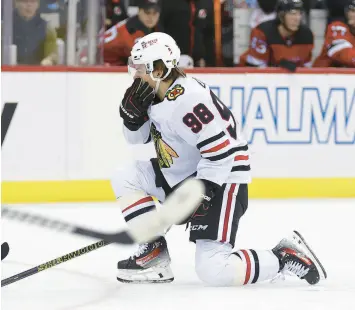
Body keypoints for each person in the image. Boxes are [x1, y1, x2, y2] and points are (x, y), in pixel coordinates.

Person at [110, 32, 327, 286]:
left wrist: (200, 193)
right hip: (185, 173)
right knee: (126, 177)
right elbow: (137, 140)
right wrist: (131, 119)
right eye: (133, 67)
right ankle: (153, 252)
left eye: (140, 68)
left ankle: (283, 256)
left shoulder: (188, 101)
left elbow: (222, 152)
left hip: (222, 180)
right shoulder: (154, 94)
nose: (134, 75)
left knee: (213, 270)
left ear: (159, 69)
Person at [239, 0, 314, 71]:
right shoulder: (262, 32)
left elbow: (305, 68)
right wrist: (278, 67)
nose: (297, 18)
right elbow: (255, 69)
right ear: (281, 16)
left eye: (300, 13)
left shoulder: (306, 35)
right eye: (292, 13)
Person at [103, 0, 161, 66]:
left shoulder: (148, 26)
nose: (151, 18)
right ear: (139, 11)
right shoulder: (132, 29)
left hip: (115, 62)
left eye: (154, 13)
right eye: (147, 13)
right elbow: (140, 60)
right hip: (103, 64)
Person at [159, 0, 214, 67]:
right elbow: (160, 31)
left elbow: (209, 33)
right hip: (172, 59)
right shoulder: (167, 3)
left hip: (199, 61)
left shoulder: (206, 3)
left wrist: (207, 59)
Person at [13, 0, 58, 65]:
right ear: (16, 3)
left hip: (37, 72)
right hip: (10, 71)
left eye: (33, 1)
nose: (29, 5)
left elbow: (52, 53)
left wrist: (49, 60)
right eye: (25, 1)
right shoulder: (5, 26)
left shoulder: (47, 28)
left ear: (38, 4)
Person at [313, 0, 355, 67]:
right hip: (321, 74)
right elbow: (342, 53)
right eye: (352, 11)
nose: (352, 14)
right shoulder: (337, 27)